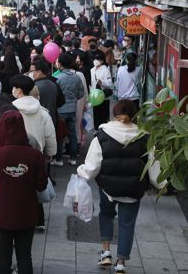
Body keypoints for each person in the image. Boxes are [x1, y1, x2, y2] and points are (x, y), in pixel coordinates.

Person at [76, 100, 164, 274]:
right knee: (127, 224)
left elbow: (92, 167)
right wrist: (162, 184)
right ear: (134, 115)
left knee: (106, 215)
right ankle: (121, 262)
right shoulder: (145, 137)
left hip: (108, 188)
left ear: (113, 113)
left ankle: (106, 252)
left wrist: (81, 172)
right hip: (134, 189)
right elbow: (153, 168)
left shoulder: (102, 135)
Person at [0, 110, 47, 274]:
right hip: (27, 212)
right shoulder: (35, 155)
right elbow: (42, 185)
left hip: (1, 212)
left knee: (2, 256)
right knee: (25, 256)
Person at [10, 74, 57, 157]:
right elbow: (50, 135)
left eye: (14, 87)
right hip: (37, 153)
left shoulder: (10, 111)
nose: (13, 90)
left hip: (14, 153)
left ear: (19, 90)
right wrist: (51, 153)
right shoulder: (43, 112)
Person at [53, 53, 84, 166]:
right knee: (72, 134)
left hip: (61, 109)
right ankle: (73, 158)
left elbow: (55, 94)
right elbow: (81, 93)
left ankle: (59, 159)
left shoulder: (58, 77)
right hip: (72, 108)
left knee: (60, 134)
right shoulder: (76, 77)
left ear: (60, 64)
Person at [90, 51, 113, 129]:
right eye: (95, 59)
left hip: (103, 97)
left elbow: (110, 84)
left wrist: (102, 83)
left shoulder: (105, 70)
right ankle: (97, 129)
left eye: (98, 59)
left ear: (102, 61)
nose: (96, 61)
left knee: (103, 115)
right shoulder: (92, 70)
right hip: (94, 96)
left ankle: (104, 130)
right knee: (96, 115)